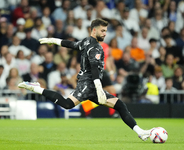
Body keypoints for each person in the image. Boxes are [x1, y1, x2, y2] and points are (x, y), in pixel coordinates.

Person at [18, 18, 152, 141]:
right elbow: (94, 68)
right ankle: (36, 87)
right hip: (88, 84)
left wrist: (54, 40)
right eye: (103, 30)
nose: (105, 33)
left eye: (105, 31)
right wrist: (99, 87)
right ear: (94, 30)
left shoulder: (86, 41)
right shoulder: (95, 47)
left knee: (120, 106)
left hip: (92, 84)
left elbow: (72, 44)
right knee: (67, 104)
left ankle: (140, 132)